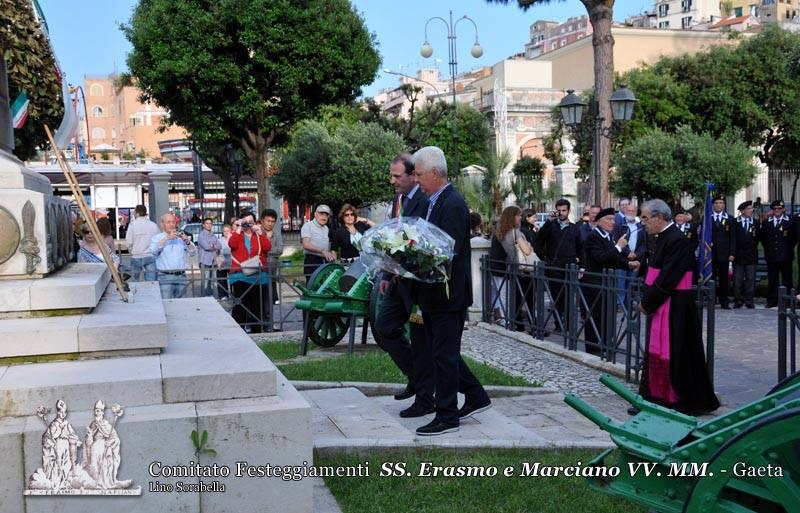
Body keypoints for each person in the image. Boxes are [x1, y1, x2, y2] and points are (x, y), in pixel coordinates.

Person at [411, 146, 491, 436]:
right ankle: (476, 395)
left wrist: (414, 253)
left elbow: (449, 249)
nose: (416, 179)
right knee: (443, 352)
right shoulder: (434, 200)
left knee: (443, 356)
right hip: (434, 293)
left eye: (419, 174)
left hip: (447, 295)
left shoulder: (453, 203)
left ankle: (447, 415)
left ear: (434, 173)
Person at [638, 199, 719, 415]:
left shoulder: (677, 240)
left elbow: (668, 277)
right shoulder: (662, 237)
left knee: (676, 354)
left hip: (675, 306)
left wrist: (647, 302)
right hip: (664, 303)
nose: (642, 223)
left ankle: (674, 399)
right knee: (659, 351)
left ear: (659, 217)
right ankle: (654, 397)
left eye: (645, 218)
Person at [375, 153, 433, 414]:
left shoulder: (423, 200)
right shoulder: (398, 198)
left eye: (398, 176)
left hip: (416, 282)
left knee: (422, 340)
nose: (392, 180)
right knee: (384, 327)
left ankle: (426, 394)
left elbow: (421, 241)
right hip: (396, 279)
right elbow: (394, 236)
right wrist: (387, 274)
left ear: (413, 175)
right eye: (392, 175)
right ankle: (415, 377)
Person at [581, 208, 638, 356]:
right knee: (596, 316)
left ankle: (606, 345)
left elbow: (614, 260)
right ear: (600, 221)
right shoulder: (594, 237)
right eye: (609, 219)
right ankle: (594, 348)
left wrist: (628, 264)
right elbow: (602, 258)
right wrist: (619, 246)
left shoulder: (608, 236)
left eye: (613, 219)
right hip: (595, 282)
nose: (613, 222)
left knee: (608, 315)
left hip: (608, 282)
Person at [534, 198, 583, 334]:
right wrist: (549, 221)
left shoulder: (575, 228)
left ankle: (568, 324)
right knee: (556, 297)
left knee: (569, 297)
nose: (561, 213)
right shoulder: (551, 226)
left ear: (568, 211)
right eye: (559, 210)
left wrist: (581, 264)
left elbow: (580, 248)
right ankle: (558, 323)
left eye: (564, 210)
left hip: (570, 266)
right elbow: (539, 239)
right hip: (554, 266)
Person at [488, 206, 533, 326]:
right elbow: (525, 251)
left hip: (495, 266)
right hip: (505, 268)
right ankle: (505, 321)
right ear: (512, 217)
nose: (520, 218)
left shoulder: (499, 229)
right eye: (518, 215)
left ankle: (501, 318)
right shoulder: (512, 231)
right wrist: (529, 246)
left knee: (499, 294)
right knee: (505, 295)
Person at [228, 211, 271, 333]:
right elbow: (232, 244)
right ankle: (238, 332)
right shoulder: (236, 234)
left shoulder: (258, 235)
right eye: (245, 222)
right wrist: (239, 228)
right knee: (240, 306)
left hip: (258, 277)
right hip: (239, 276)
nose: (248, 225)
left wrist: (261, 233)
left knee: (258, 307)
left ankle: (257, 331)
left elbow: (267, 248)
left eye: (250, 222)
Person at [150, 212, 196, 299]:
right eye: (168, 222)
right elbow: (154, 251)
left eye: (173, 222)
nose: (171, 224)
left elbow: (193, 252)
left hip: (181, 276)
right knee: (167, 305)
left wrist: (187, 241)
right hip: (165, 277)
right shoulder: (157, 238)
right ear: (162, 224)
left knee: (182, 304)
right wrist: (166, 238)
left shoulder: (180, 238)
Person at [761, 200, 794, 308]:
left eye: (779, 208)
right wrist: (769, 249)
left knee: (787, 280)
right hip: (772, 255)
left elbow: (793, 239)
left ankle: (787, 301)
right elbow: (764, 239)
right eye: (775, 209)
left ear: (783, 209)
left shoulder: (789, 221)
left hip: (786, 255)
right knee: (772, 279)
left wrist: (788, 249)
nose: (777, 211)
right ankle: (772, 300)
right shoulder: (767, 222)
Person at [612, 203, 647, 305]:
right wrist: (628, 252)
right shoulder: (619, 225)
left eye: (633, 211)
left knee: (631, 285)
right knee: (620, 285)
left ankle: (628, 306)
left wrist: (636, 254)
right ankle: (620, 306)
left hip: (636, 260)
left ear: (636, 212)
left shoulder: (641, 226)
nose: (630, 212)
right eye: (628, 211)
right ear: (625, 212)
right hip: (622, 260)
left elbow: (644, 243)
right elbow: (617, 240)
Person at [733, 201, 759, 309]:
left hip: (751, 254)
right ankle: (738, 300)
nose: (751, 210)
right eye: (749, 208)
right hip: (738, 254)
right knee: (738, 279)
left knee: (750, 279)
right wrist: (732, 253)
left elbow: (759, 238)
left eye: (751, 208)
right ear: (742, 211)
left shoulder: (756, 223)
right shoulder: (735, 222)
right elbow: (733, 239)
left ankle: (749, 300)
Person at [710, 196, 734, 309]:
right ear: (713, 205)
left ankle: (724, 301)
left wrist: (732, 253)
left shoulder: (729, 218)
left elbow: (733, 238)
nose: (718, 205)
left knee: (724, 279)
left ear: (724, 205)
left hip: (725, 254)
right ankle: (712, 300)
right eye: (716, 203)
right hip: (711, 254)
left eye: (720, 203)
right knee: (711, 278)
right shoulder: (707, 218)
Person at [300, 205, 335, 282]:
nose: (324, 217)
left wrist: (330, 254)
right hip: (312, 260)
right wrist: (322, 251)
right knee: (312, 287)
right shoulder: (307, 226)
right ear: (315, 214)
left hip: (324, 261)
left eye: (326, 215)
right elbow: (306, 244)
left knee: (324, 287)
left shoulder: (326, 228)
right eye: (321, 214)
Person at [125, 204, 159, 281]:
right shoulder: (153, 225)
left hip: (136, 255)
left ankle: (137, 293)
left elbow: (129, 242)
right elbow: (158, 241)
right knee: (151, 281)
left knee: (135, 281)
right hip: (150, 255)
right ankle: (150, 292)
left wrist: (131, 251)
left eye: (134, 212)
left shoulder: (132, 225)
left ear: (137, 213)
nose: (133, 214)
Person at [260, 209, 284, 305]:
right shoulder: (259, 233)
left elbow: (280, 250)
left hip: (273, 267)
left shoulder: (277, 234)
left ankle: (274, 298)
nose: (270, 224)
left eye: (272, 221)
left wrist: (266, 251)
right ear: (262, 221)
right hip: (260, 267)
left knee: (272, 282)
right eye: (268, 221)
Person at [197, 217, 221, 297]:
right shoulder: (201, 235)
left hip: (213, 261)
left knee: (213, 281)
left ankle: (212, 297)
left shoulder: (213, 235)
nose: (209, 225)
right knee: (205, 281)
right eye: (207, 223)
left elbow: (219, 246)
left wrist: (212, 245)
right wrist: (214, 246)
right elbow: (206, 247)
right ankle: (204, 297)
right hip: (205, 261)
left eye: (210, 223)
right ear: (203, 225)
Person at [217, 223, 233, 300]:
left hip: (232, 263)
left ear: (231, 231)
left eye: (228, 231)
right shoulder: (219, 240)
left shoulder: (234, 239)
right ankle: (223, 295)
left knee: (233, 280)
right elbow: (217, 252)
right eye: (224, 231)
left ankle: (234, 294)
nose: (226, 232)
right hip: (222, 263)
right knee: (222, 279)